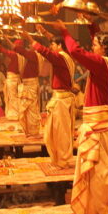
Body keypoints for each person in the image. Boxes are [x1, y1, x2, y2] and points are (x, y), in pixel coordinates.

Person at [43, 20, 108, 214]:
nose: (93, 47)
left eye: (95, 44)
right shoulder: (107, 62)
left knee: (101, 174)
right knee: (93, 173)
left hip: (99, 125)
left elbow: (77, 52)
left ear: (104, 48)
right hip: (96, 122)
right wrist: (90, 24)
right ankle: (96, 212)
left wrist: (65, 31)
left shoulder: (103, 63)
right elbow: (90, 46)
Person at [28, 29, 76, 169]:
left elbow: (47, 53)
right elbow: (51, 48)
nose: (51, 47)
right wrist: (44, 32)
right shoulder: (64, 57)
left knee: (60, 132)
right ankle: (59, 159)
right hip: (60, 99)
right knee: (53, 132)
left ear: (59, 46)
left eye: (53, 45)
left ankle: (62, 160)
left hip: (61, 101)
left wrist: (31, 40)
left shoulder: (61, 57)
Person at [11, 39, 42, 137]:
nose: (29, 45)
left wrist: (13, 44)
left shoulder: (34, 55)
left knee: (31, 109)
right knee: (27, 109)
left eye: (31, 44)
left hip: (31, 85)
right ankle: (29, 131)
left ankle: (33, 131)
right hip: (27, 84)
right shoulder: (32, 55)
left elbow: (22, 51)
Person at [0, 39, 24, 121]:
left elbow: (2, 50)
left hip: (12, 80)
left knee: (12, 97)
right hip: (17, 79)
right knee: (14, 97)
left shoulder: (15, 55)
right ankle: (16, 114)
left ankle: (15, 115)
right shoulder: (23, 56)